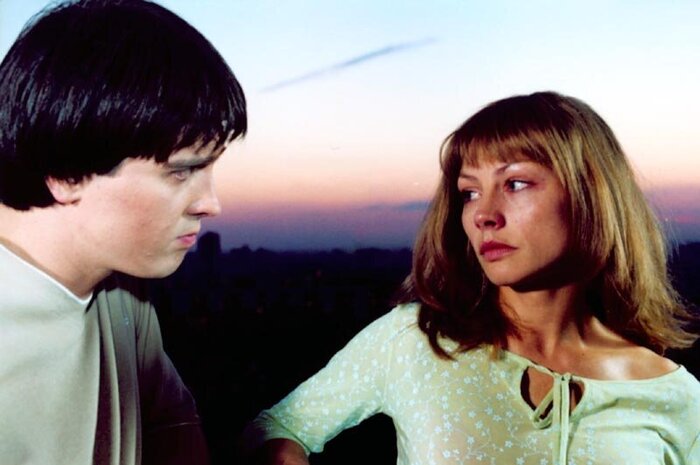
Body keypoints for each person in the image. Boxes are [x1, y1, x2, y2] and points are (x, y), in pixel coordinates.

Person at [244, 92, 700, 464]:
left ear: (591, 192)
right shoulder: (415, 341)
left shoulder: (673, 395)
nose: (483, 214)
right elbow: (278, 430)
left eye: (515, 183)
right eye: (469, 192)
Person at [0, 1, 246, 464]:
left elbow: (170, 415)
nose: (210, 204)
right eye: (181, 171)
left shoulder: (122, 290)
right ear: (67, 173)